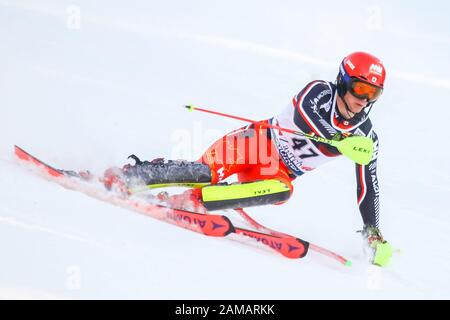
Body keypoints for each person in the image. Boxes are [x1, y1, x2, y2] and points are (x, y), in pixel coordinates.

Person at [103, 51, 392, 266]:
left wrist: (373, 233)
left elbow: (368, 187)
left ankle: (197, 201)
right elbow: (306, 119)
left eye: (373, 93)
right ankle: (133, 175)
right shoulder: (319, 92)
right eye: (360, 88)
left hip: (273, 172)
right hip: (255, 143)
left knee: (283, 190)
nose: (363, 100)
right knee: (206, 172)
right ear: (343, 81)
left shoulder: (366, 137)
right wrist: (341, 142)